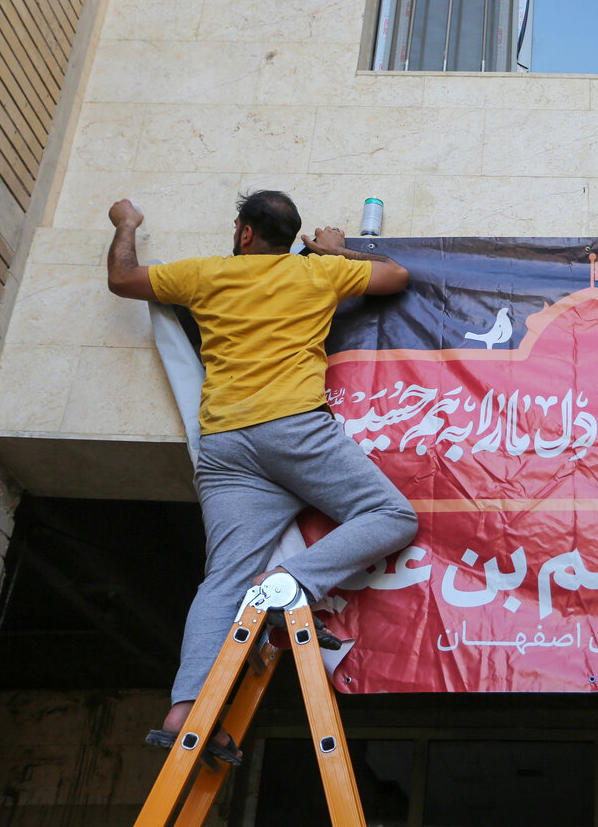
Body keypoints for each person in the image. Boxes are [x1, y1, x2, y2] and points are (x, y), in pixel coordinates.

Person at [106, 190, 419, 765]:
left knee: (223, 578)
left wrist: (126, 223)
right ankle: (287, 585)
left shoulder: (205, 275)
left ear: (245, 234)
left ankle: (185, 709)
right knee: (393, 516)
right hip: (294, 433)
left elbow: (123, 279)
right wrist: (336, 250)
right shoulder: (319, 272)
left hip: (226, 444)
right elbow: (396, 276)